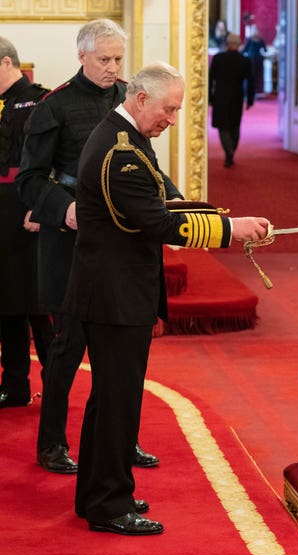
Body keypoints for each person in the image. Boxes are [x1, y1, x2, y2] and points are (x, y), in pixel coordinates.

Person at [64, 61, 270, 535]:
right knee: (117, 403)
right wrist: (229, 229)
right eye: (169, 108)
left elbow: (159, 202)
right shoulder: (123, 152)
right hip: (114, 297)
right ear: (140, 100)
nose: (172, 118)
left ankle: (98, 492)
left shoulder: (129, 140)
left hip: (114, 292)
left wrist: (218, 217)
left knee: (109, 401)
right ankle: (110, 505)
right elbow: (155, 222)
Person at [16, 19, 159, 473]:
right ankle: (52, 443)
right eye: (104, 60)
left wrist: (176, 201)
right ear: (82, 56)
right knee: (67, 348)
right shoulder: (52, 106)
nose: (114, 68)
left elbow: (145, 166)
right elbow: (29, 181)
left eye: (118, 59)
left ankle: (120, 441)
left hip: (121, 246)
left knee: (118, 355)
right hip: (71, 245)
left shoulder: (128, 99)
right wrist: (65, 210)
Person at [0, 37, 53, 409]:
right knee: (6, 300)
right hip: (1, 212)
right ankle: (15, 383)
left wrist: (41, 205)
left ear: (5, 63)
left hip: (25, 207)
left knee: (36, 302)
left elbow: (54, 158)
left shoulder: (40, 100)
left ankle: (56, 381)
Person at [209, 33, 254, 168]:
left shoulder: (218, 58)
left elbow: (210, 79)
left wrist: (209, 97)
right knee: (235, 125)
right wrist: (250, 99)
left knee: (223, 126)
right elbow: (251, 82)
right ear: (239, 44)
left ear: (227, 44)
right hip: (237, 97)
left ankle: (228, 151)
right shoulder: (244, 61)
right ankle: (231, 151)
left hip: (220, 96)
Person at [242, 30, 267, 94]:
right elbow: (265, 50)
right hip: (258, 60)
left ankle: (250, 91)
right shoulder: (260, 40)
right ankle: (257, 90)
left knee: (251, 76)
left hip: (252, 60)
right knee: (257, 77)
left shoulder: (250, 40)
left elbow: (245, 50)